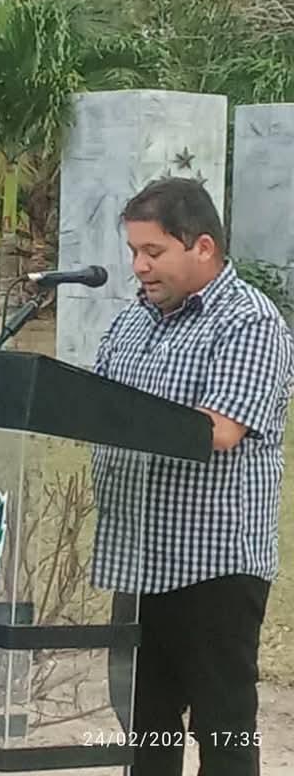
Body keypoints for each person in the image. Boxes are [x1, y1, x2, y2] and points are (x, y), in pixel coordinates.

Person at [93, 178, 294, 776]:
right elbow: (92, 401)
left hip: (214, 566)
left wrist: (120, 415)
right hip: (137, 557)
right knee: (145, 728)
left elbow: (220, 430)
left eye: (152, 252)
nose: (139, 267)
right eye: (133, 253)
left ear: (202, 247)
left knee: (222, 727)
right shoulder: (132, 323)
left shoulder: (249, 322)